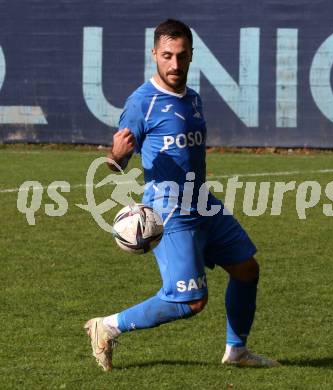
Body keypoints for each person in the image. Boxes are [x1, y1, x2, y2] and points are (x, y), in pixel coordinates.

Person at [84, 19, 279, 371]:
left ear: (191, 56)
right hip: (171, 211)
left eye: (182, 56)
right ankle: (107, 326)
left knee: (247, 270)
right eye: (167, 56)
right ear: (154, 54)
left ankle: (237, 351)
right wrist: (115, 155)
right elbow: (118, 162)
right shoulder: (141, 103)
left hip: (202, 202)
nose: (174, 64)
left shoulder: (193, 99)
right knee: (190, 301)